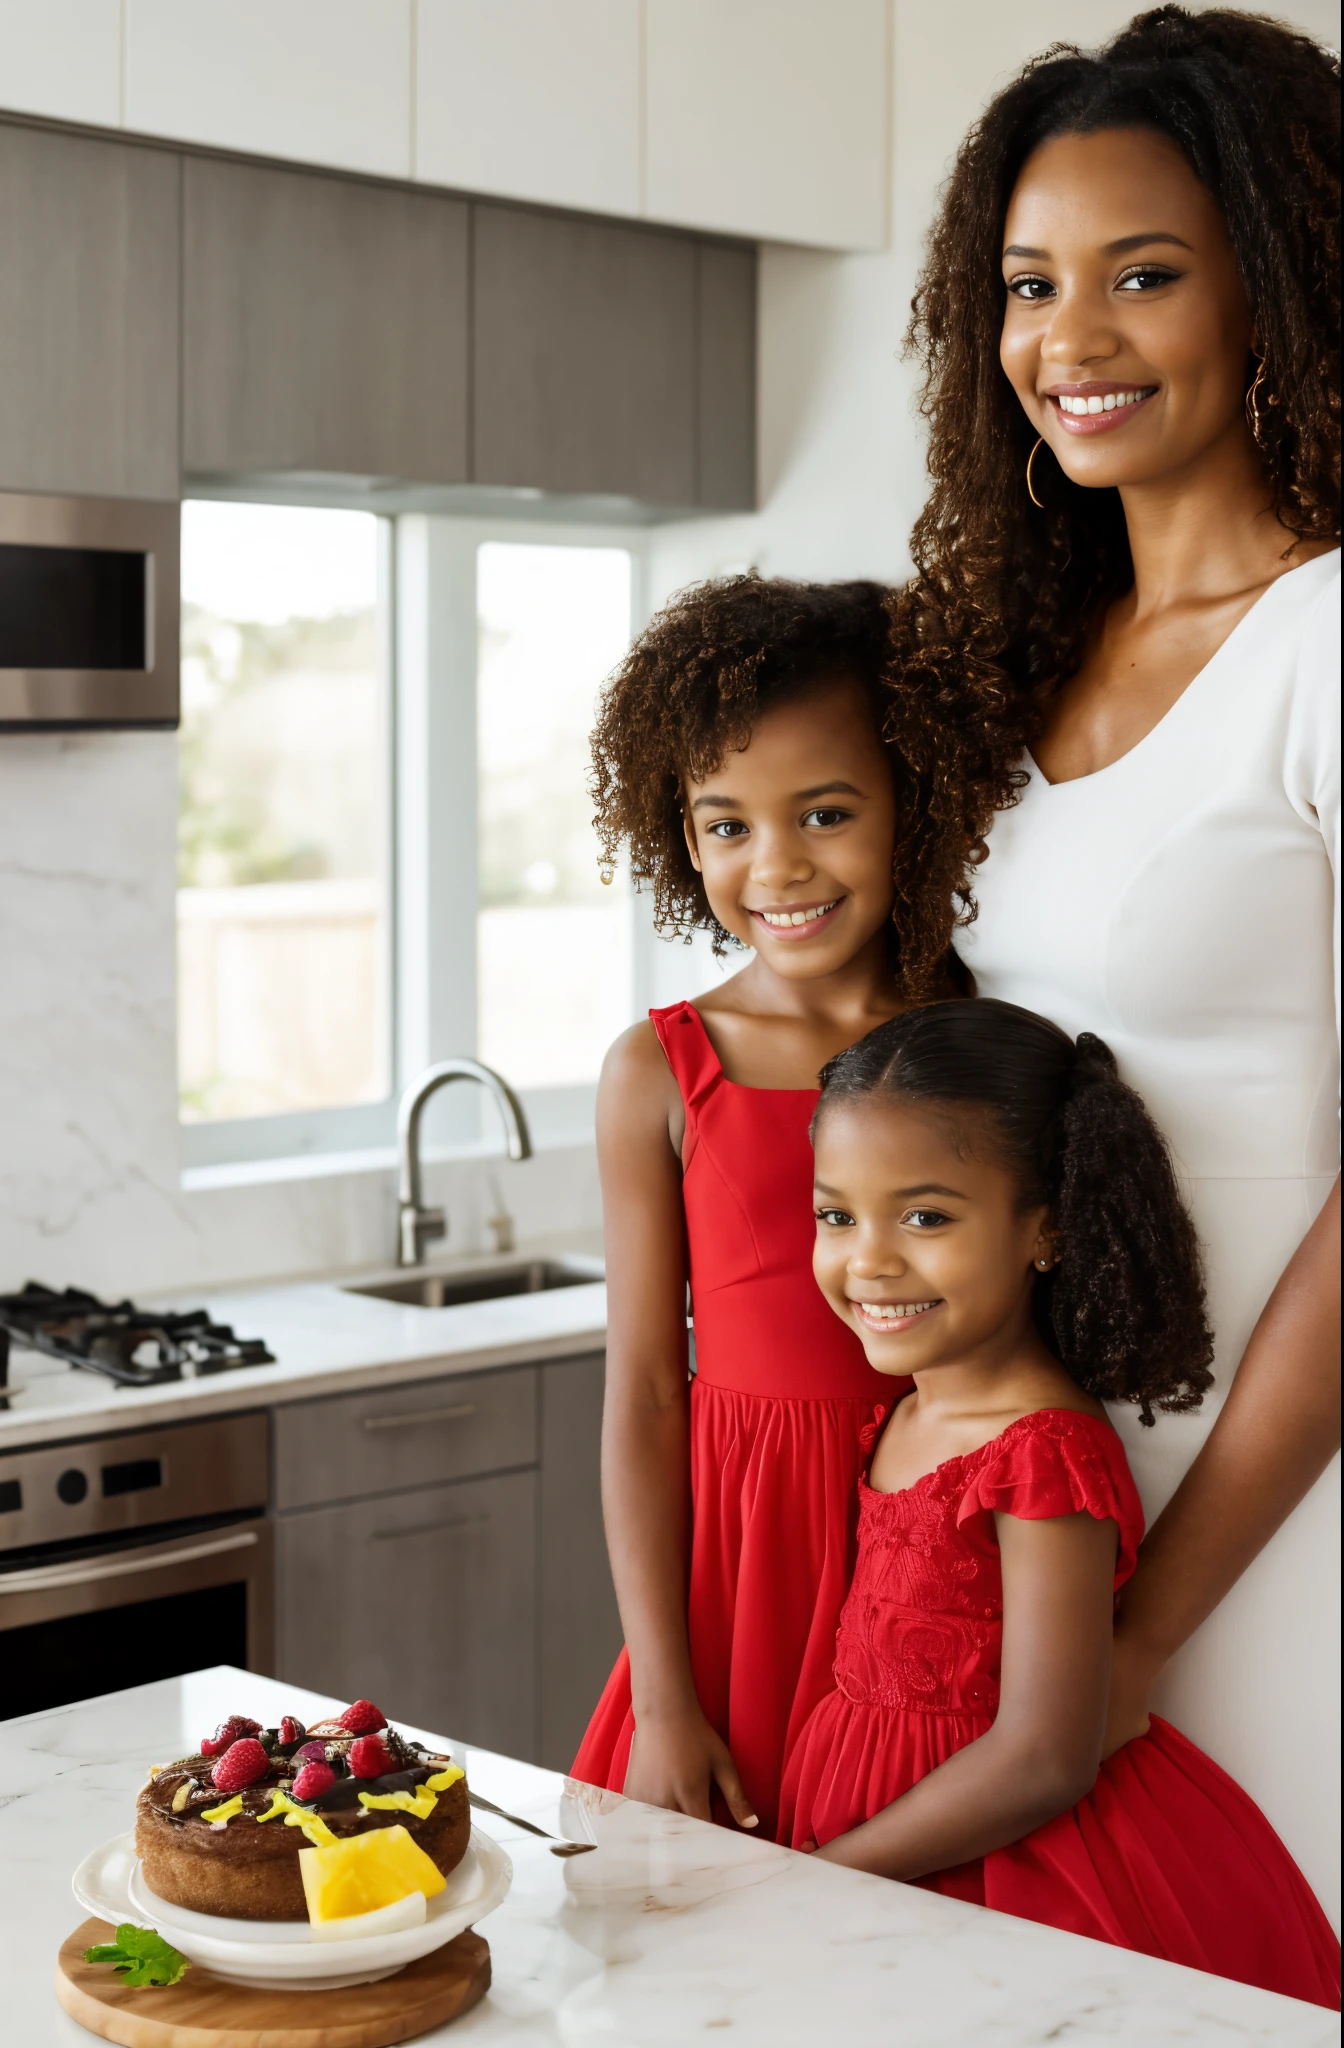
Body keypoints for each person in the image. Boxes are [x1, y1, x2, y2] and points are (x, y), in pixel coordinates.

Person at [890, 5, 1340, 1895]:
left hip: (1273, 1521)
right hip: (1050, 1519)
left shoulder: (1322, 637)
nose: (1062, 342)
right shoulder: (1007, 667)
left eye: (1137, 276)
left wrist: (1153, 1625)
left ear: (1275, 290)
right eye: (1023, 284)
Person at [571, 576, 1019, 1838]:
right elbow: (649, 1394)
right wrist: (665, 1697)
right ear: (682, 836)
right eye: (725, 825)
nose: (775, 868)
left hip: (942, 1552)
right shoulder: (659, 1069)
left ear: (910, 801)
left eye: (825, 811)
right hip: (742, 1579)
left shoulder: (975, 1040)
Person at [779, 999, 1339, 2009]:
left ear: (1046, 1226)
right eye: (836, 1213)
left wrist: (827, 1875)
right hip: (859, 1822)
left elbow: (1047, 1752)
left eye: (926, 1215)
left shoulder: (1042, 1454)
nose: (868, 1257)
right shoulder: (901, 1414)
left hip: (999, 1869)